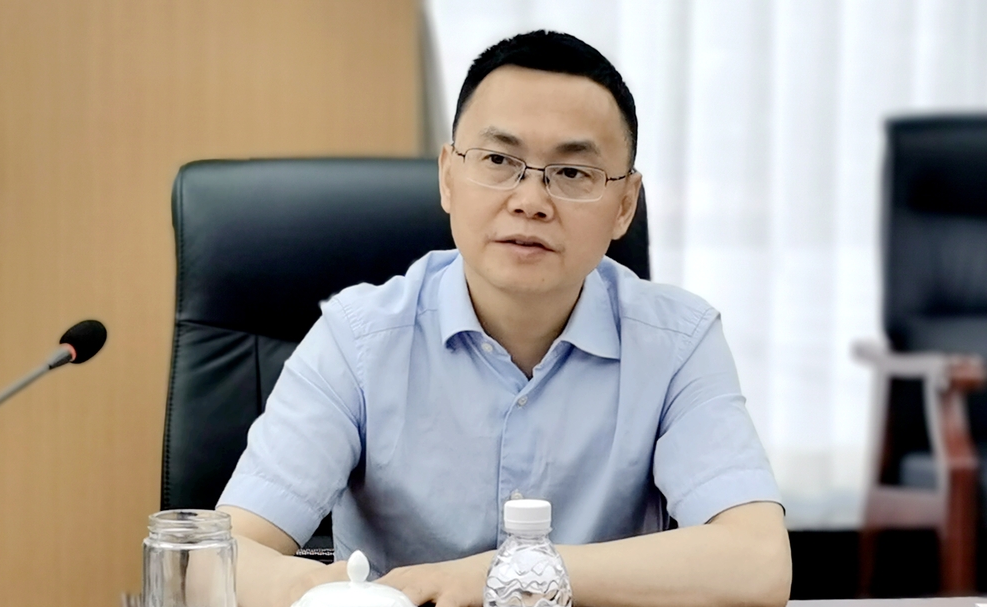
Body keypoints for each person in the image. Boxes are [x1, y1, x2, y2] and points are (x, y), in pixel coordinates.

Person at [216, 30, 792, 607]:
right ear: (448, 176)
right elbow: (218, 558)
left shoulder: (678, 343)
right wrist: (341, 594)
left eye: (572, 173)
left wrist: (506, 574)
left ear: (624, 206)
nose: (531, 201)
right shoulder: (358, 339)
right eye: (498, 160)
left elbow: (758, 563)